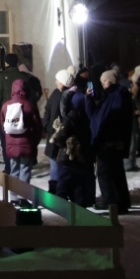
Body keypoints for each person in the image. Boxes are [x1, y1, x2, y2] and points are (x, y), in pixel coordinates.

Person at [88, 69, 133, 213]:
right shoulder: (110, 95)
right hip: (109, 140)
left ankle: (111, 202)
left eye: (104, 81)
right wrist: (89, 99)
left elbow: (113, 118)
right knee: (114, 172)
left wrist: (105, 135)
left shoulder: (117, 95)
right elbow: (95, 116)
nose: (102, 84)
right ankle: (120, 202)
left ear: (111, 80)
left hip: (109, 140)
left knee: (106, 172)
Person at [51, 78, 96, 207]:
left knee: (64, 182)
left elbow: (62, 134)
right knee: (79, 183)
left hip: (69, 155)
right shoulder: (87, 117)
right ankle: (80, 204)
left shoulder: (71, 116)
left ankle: (60, 204)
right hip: (82, 155)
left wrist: (58, 139)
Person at [0, 77, 44, 183]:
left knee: (14, 170)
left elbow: (2, 124)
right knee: (25, 170)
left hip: (11, 144)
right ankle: (23, 197)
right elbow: (38, 126)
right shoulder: (29, 105)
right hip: (26, 143)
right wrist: (34, 142)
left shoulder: (6, 105)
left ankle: (14, 197)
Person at [0, 52, 26, 165]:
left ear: (6, 62)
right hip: (21, 111)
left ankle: (8, 166)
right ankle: (20, 163)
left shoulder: (2, 76)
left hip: (6, 113)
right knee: (20, 138)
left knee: (5, 139)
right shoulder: (23, 76)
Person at [42, 69, 71, 196]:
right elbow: (47, 110)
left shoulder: (68, 95)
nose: (55, 82)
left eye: (58, 80)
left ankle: (60, 189)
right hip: (53, 133)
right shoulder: (56, 93)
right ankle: (56, 188)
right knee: (54, 162)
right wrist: (47, 125)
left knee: (61, 163)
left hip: (62, 134)